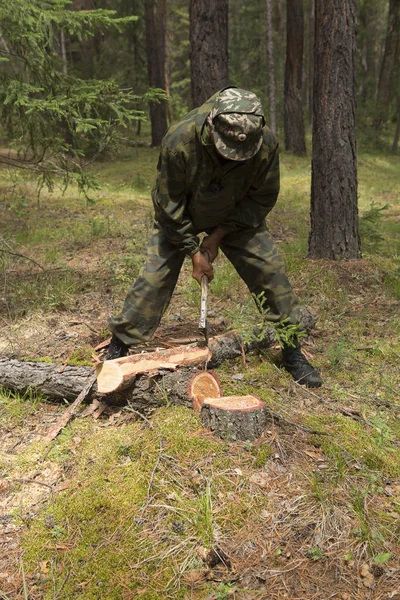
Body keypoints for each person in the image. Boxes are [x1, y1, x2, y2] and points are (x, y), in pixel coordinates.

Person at [105, 87, 322, 388]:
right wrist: (193, 250)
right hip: (182, 215)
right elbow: (168, 205)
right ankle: (119, 346)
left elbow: (262, 198)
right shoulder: (179, 140)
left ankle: (291, 350)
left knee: (271, 273)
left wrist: (219, 235)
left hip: (235, 214)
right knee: (153, 280)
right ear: (211, 124)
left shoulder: (265, 144)